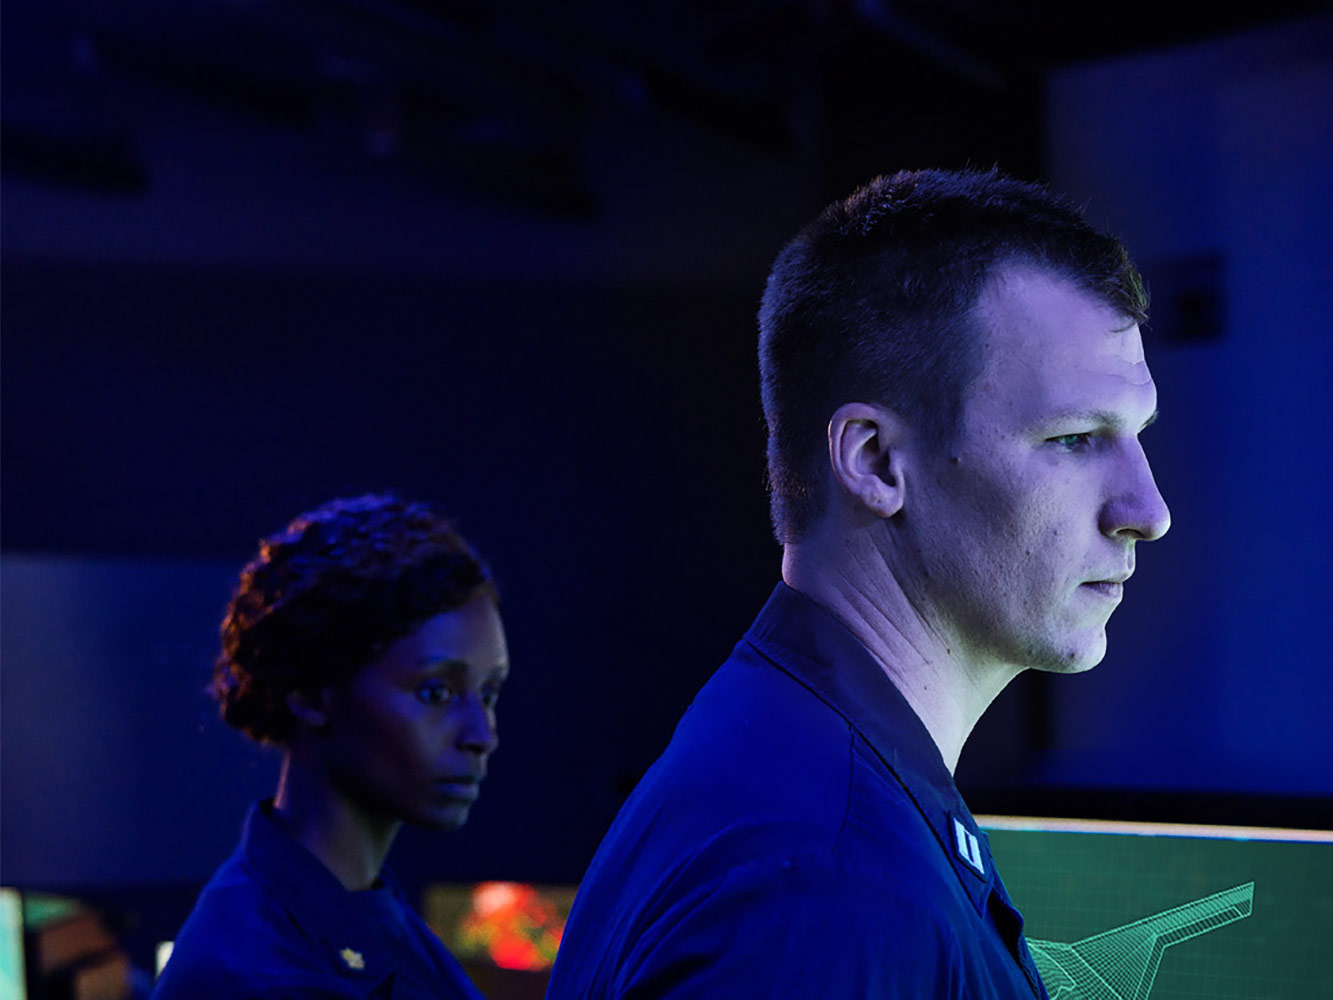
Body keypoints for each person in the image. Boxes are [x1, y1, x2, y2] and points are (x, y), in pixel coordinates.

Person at [547, 168, 1170, 998]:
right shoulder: (832, 883)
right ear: (876, 462)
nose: (1147, 509)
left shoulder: (792, 761)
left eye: (1134, 435)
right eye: (1072, 438)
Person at [155, 494, 508, 1000]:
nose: (481, 734)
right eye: (436, 692)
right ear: (312, 691)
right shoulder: (265, 976)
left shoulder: (360, 904)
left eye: (489, 693)